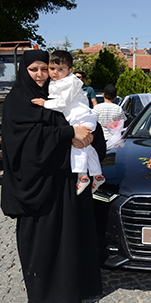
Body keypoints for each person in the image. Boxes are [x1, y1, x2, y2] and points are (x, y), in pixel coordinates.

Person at [1, 50, 105, 303]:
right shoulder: (17, 100)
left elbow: (83, 118)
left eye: (44, 69)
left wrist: (89, 135)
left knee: (73, 236)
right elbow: (22, 142)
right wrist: (67, 133)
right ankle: (46, 294)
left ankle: (78, 289)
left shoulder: (58, 93)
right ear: (24, 71)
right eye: (33, 69)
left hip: (66, 182)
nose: (39, 75)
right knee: (44, 242)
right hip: (39, 185)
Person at [32, 51, 105, 195]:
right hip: (78, 117)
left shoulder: (71, 82)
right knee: (86, 147)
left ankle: (82, 176)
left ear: (70, 70)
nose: (55, 73)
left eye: (60, 69)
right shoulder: (59, 82)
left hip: (80, 117)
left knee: (77, 145)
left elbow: (63, 103)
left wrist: (44, 103)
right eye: (52, 69)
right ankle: (97, 174)